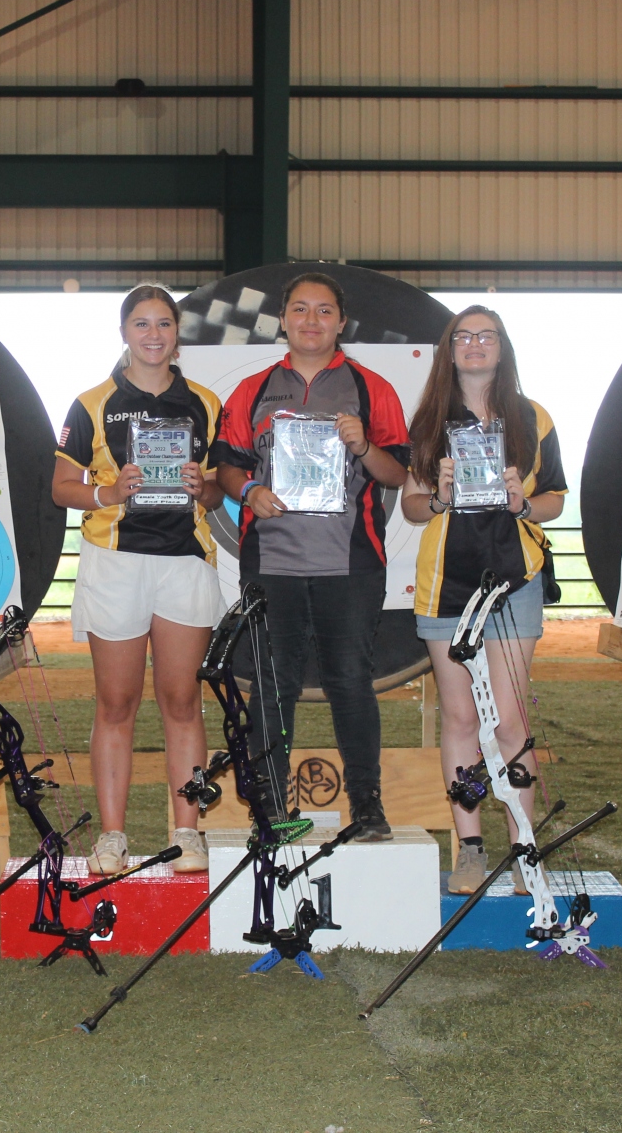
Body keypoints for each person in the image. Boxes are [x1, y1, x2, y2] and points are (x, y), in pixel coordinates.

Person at [209, 272, 410, 842]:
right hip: (271, 562)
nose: (311, 320)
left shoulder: (372, 388)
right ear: (282, 319)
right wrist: (250, 490)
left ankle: (367, 807)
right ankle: (271, 811)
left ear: (341, 322)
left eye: (324, 310)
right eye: (300, 309)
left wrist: (363, 445)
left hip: (351, 564)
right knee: (272, 687)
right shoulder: (252, 389)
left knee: (350, 682)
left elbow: (397, 473)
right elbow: (226, 466)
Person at [52, 284, 226, 875]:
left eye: (164, 324)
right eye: (142, 324)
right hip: (116, 562)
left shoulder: (205, 402)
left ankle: (188, 833)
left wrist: (205, 488)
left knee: (182, 701)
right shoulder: (91, 403)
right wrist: (108, 492)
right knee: (116, 704)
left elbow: (219, 487)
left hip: (184, 562)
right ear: (124, 332)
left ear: (177, 334)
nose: (154, 335)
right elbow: (61, 487)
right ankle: (112, 838)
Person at [400, 304, 566, 895]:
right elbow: (411, 506)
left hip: (514, 581)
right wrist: (439, 498)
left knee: (511, 721)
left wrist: (523, 504)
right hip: (446, 585)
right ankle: (470, 849)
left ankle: (524, 850)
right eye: (463, 336)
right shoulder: (428, 420)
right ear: (450, 350)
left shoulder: (533, 417)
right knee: (462, 718)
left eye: (486, 336)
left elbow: (555, 500)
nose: (475, 344)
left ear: (502, 347)